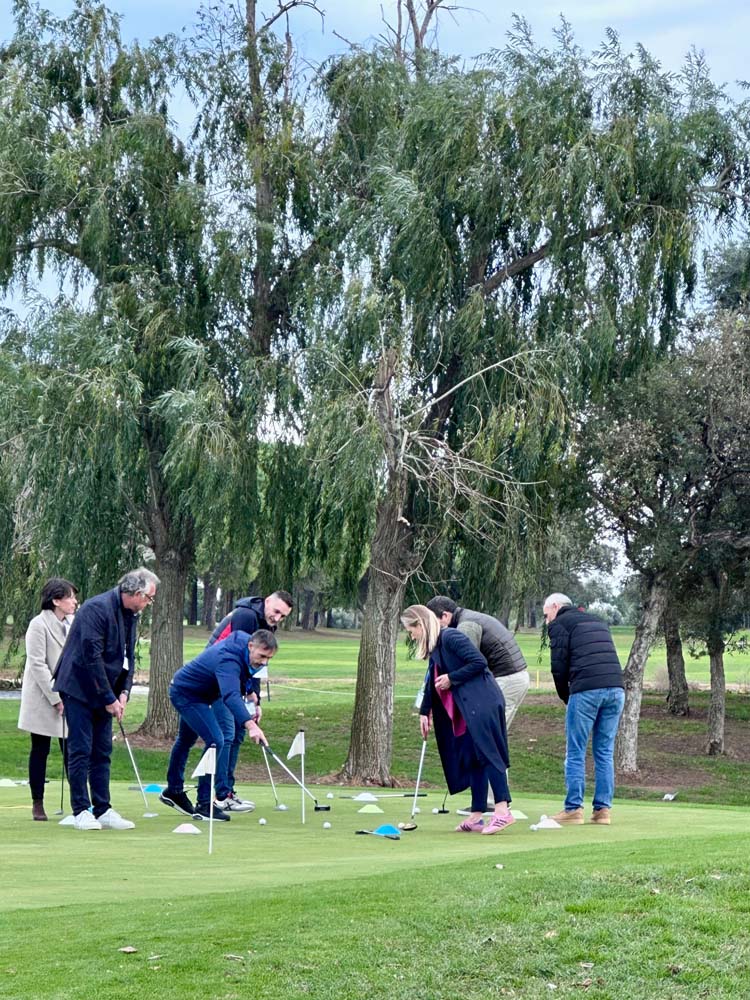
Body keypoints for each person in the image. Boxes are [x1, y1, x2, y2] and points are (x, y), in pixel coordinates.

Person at [53, 567, 159, 831]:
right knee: (81, 748)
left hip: (106, 690)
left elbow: (128, 658)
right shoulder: (95, 609)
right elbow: (92, 658)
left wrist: (123, 693)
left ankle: (103, 808)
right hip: (78, 687)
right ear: (135, 593)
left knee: (103, 750)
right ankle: (81, 810)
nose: (148, 603)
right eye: (148, 598)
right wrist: (109, 697)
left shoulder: (131, 614)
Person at [401, 604, 514, 835]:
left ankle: (503, 811)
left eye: (411, 630)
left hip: (483, 701)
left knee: (489, 753)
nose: (410, 635)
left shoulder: (451, 637)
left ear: (420, 624)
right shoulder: (436, 647)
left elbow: (479, 663)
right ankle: (476, 815)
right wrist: (425, 711)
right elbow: (431, 681)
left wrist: (452, 678)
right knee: (472, 758)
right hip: (468, 706)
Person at [159, 629, 275, 821]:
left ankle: (173, 790)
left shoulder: (244, 650)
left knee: (186, 739)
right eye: (262, 656)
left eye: (268, 658)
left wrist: (252, 694)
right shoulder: (229, 659)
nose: (264, 662)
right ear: (250, 646)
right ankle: (204, 804)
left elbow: (243, 677)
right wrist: (251, 725)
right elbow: (230, 695)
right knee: (216, 740)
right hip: (186, 694)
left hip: (201, 695)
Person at [204, 591, 293, 813]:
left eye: (283, 616)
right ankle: (219, 796)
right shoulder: (246, 616)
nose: (277, 618)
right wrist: (247, 691)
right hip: (217, 678)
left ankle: (227, 792)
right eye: (276, 612)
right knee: (226, 733)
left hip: (236, 680)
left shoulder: (266, 624)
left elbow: (258, 664)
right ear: (268, 601)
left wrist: (256, 698)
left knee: (237, 734)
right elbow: (239, 655)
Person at [543, 592, 625, 825]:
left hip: (587, 689)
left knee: (576, 750)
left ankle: (573, 809)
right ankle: (602, 811)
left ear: (556, 607)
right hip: (616, 689)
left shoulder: (559, 624)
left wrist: (566, 697)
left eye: (546, 614)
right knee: (604, 751)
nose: (547, 620)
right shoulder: (598, 621)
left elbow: (558, 667)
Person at [17, 578, 78, 821]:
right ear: (56, 601)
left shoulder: (72, 623)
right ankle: (37, 802)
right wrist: (55, 698)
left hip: (68, 693)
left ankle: (80, 802)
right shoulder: (38, 625)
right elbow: (38, 664)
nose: (75, 601)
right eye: (70, 597)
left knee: (72, 750)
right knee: (40, 749)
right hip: (42, 695)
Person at [425, 596, 530, 727]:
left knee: (489, 732)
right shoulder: (468, 618)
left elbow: (469, 664)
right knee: (490, 732)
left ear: (445, 616)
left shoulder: (466, 626)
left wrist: (451, 678)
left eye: (433, 622)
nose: (432, 628)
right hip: (510, 677)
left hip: (506, 678)